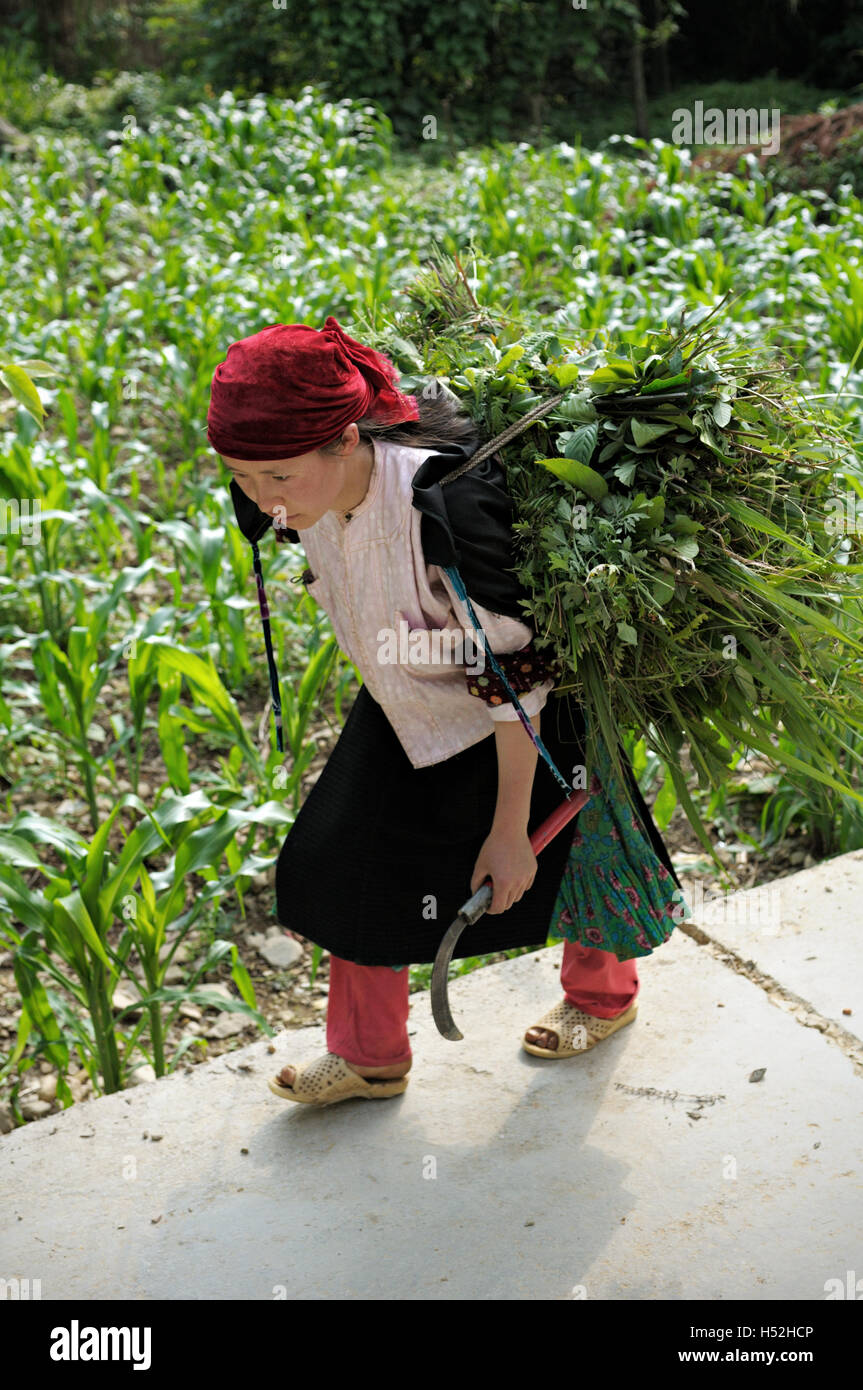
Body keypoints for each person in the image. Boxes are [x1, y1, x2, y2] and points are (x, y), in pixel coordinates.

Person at [206, 315, 684, 1107]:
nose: (262, 500)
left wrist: (506, 833)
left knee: (573, 852)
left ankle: (603, 999)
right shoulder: (281, 492)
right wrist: (272, 489)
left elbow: (518, 677)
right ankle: (368, 1059)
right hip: (409, 699)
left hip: (524, 712)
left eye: (279, 478)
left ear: (347, 441)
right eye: (241, 475)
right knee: (347, 867)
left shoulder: (444, 509)